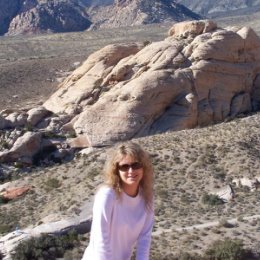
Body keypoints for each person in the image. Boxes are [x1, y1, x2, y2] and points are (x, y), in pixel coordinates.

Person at [82, 141, 154, 260]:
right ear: (116, 170)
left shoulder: (147, 196)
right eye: (124, 167)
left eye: (136, 165)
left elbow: (145, 237)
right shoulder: (107, 195)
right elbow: (101, 238)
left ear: (144, 167)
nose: (131, 171)